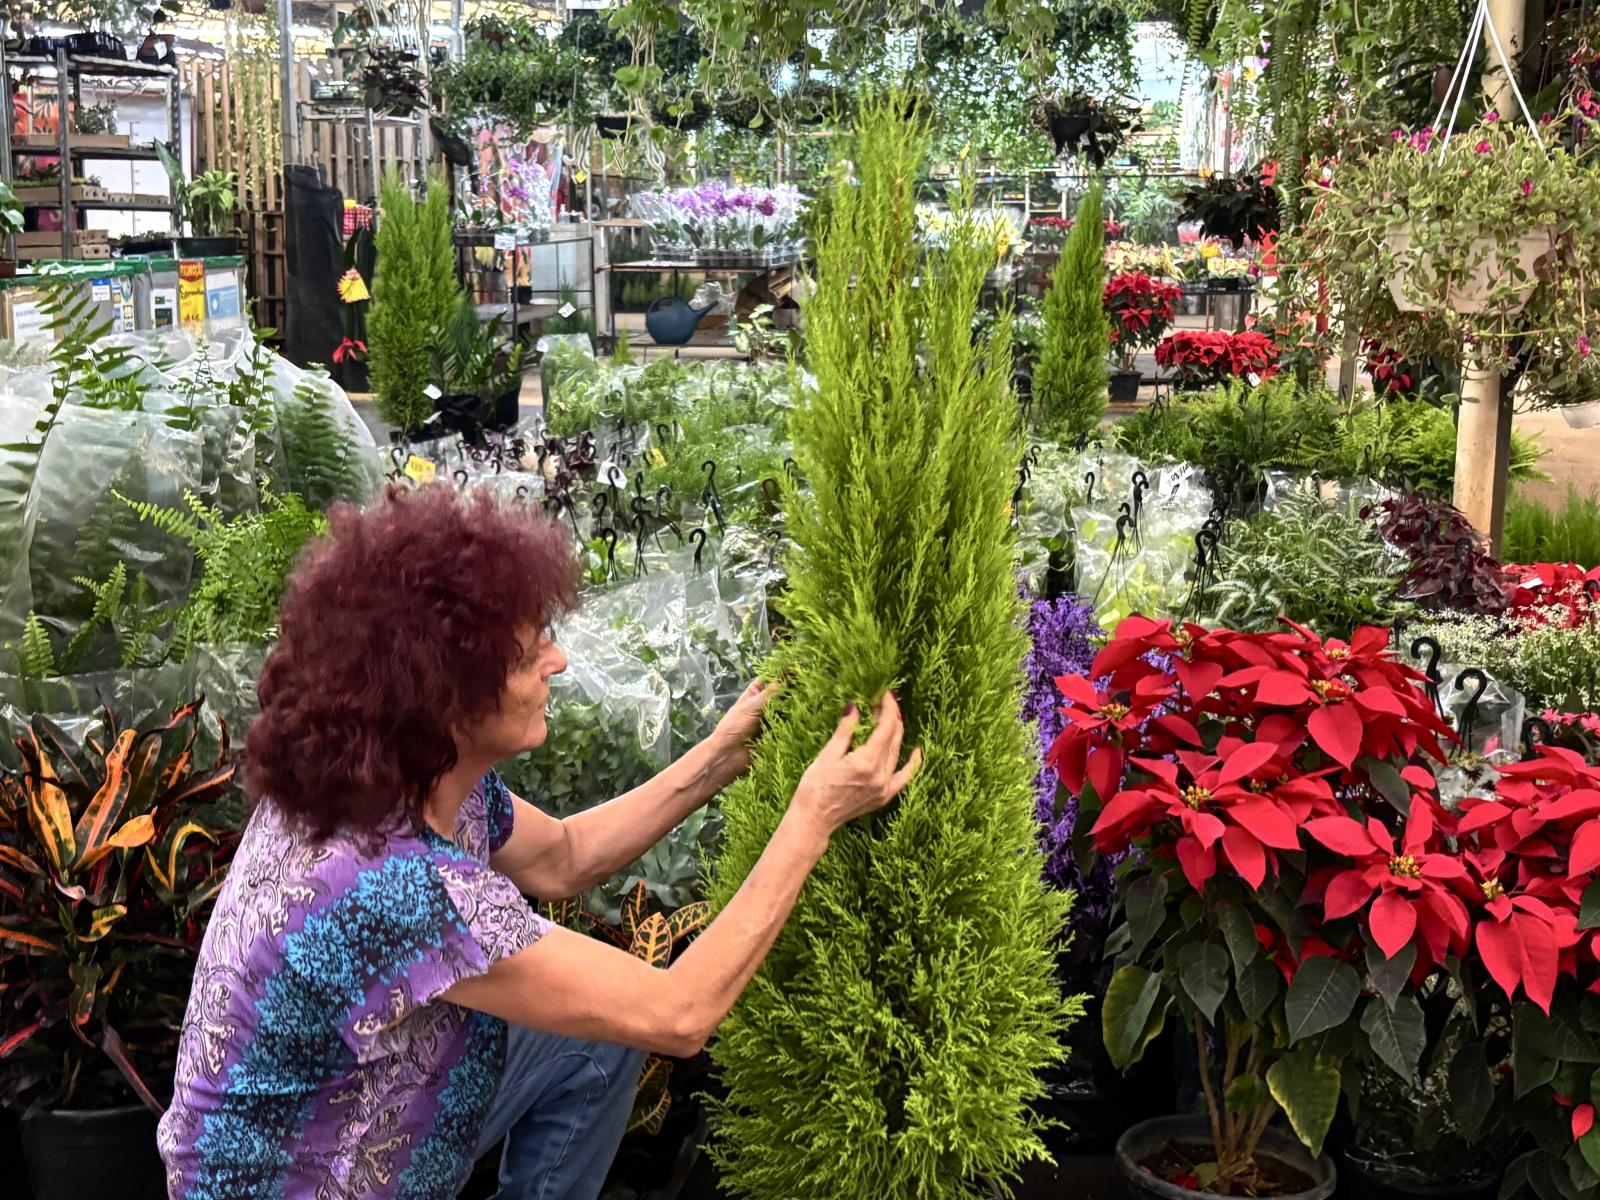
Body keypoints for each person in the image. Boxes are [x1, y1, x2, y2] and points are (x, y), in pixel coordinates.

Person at [157, 484, 921, 1200]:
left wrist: (722, 755)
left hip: (368, 1113)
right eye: (527, 659)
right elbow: (681, 1014)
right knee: (632, 1016)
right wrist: (813, 816)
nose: (556, 661)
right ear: (444, 702)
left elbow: (563, 859)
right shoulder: (386, 884)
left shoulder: (404, 774)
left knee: (595, 1038)